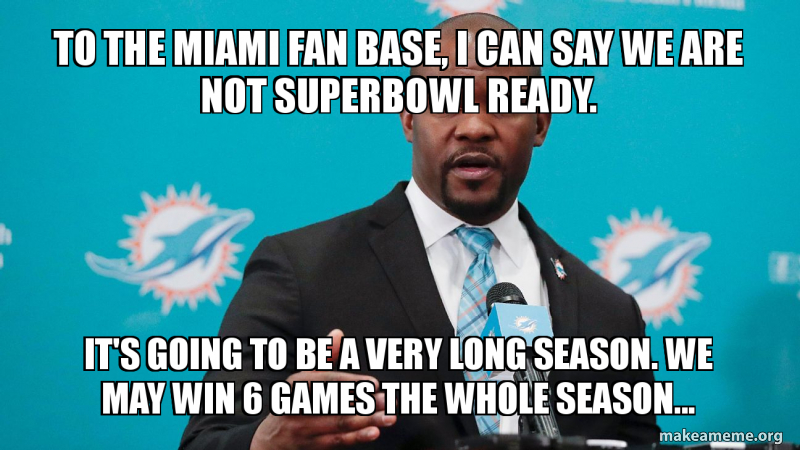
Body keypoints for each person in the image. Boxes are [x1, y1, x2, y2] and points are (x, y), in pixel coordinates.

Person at [180, 13, 660, 450]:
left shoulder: (610, 313)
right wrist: (266, 442)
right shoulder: (301, 271)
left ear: (540, 124)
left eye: (503, 102)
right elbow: (204, 442)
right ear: (410, 120)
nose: (475, 127)